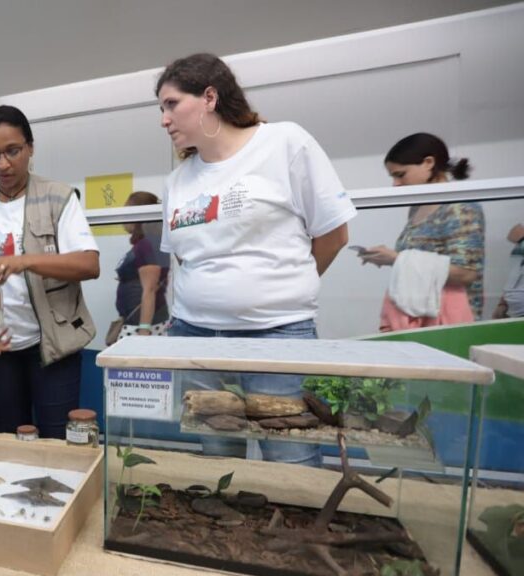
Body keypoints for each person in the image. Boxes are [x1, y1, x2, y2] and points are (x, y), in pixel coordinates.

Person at [156, 53, 355, 465]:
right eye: (161, 109)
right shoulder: (177, 181)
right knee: (217, 456)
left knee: (290, 455)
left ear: (209, 97)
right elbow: (181, 261)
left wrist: (282, 290)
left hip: (275, 335)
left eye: (171, 104)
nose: (164, 119)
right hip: (195, 337)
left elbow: (334, 234)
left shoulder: (284, 143)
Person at [0, 105, 100, 439]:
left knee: (59, 441)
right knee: (9, 439)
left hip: (52, 347)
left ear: (30, 147)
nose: (3, 164)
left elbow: (89, 264)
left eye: (13, 151)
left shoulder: (57, 197)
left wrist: (23, 260)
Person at [360, 133, 484, 330]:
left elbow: (466, 274)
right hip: (422, 320)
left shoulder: (460, 206)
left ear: (428, 163)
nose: (395, 184)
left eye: (400, 175)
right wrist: (390, 258)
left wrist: (395, 259)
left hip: (449, 325)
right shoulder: (418, 207)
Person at [114, 191, 170, 339]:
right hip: (137, 320)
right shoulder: (147, 243)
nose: (123, 218)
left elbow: (150, 289)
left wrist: (144, 330)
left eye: (127, 212)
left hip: (143, 324)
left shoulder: (148, 244)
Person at [494, 223, 524, 319]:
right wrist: (504, 302)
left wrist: (522, 239)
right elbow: (517, 269)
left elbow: (517, 233)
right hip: (514, 313)